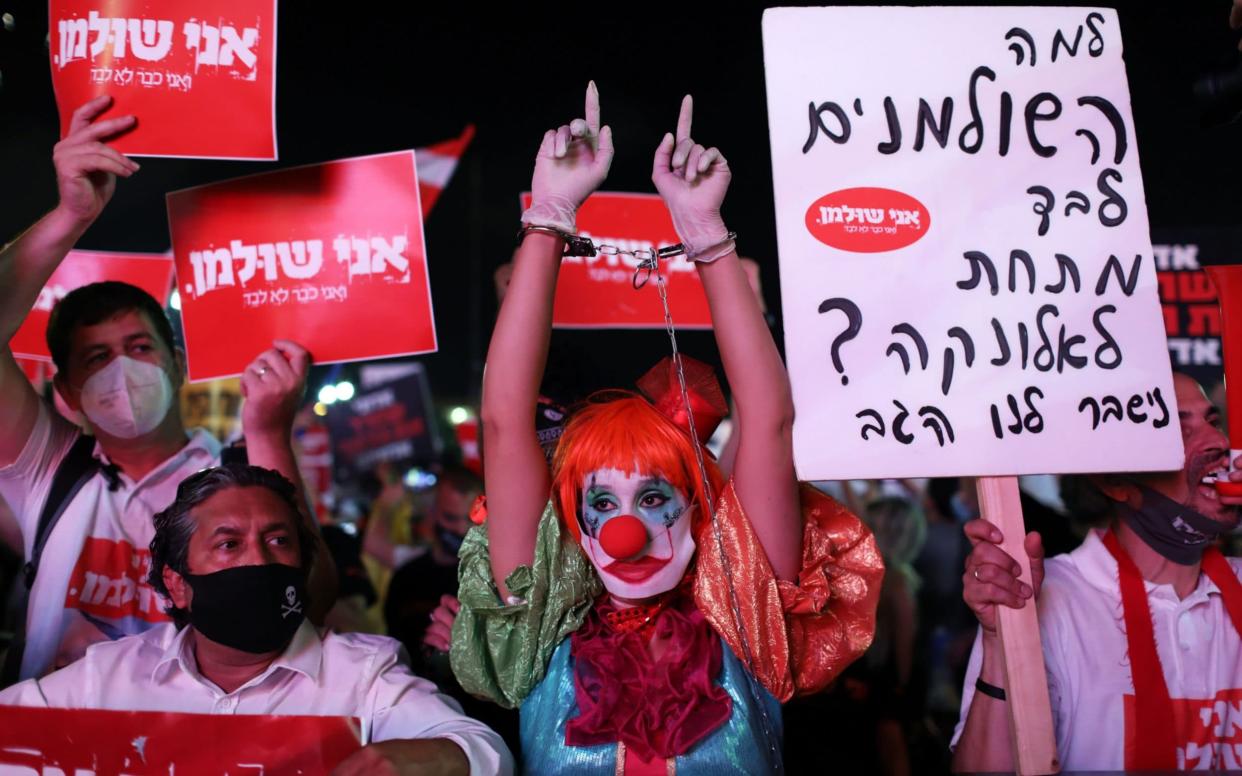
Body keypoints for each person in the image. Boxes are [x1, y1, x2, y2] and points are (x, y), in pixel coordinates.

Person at [449, 83, 883, 773]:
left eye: (655, 498)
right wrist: (550, 213)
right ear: (574, 521)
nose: (629, 529)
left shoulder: (745, 614)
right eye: (602, 502)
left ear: (695, 508)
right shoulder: (541, 626)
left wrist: (704, 232)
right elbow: (505, 421)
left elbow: (767, 421)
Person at [0, 96, 335, 682]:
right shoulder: (48, 472)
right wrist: (69, 215)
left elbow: (313, 595)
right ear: (68, 392)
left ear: (177, 362)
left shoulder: (235, 469)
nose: (122, 371)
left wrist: (268, 432)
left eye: (139, 347)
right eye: (97, 358)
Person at [0, 464, 513, 775]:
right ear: (177, 583)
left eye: (278, 540)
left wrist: (433, 759)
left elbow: (484, 752)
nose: (259, 561)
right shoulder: (106, 678)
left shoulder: (363, 676)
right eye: (229, 544)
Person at [952, 373, 1242, 772]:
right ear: (1114, 482)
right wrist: (1003, 639)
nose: (1219, 443)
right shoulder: (1049, 599)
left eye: (1212, 421)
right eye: (1178, 430)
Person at [378, 465, 482, 664]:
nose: (461, 529)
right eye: (450, 517)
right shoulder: (406, 578)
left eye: (470, 519)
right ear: (432, 511)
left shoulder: (490, 577)